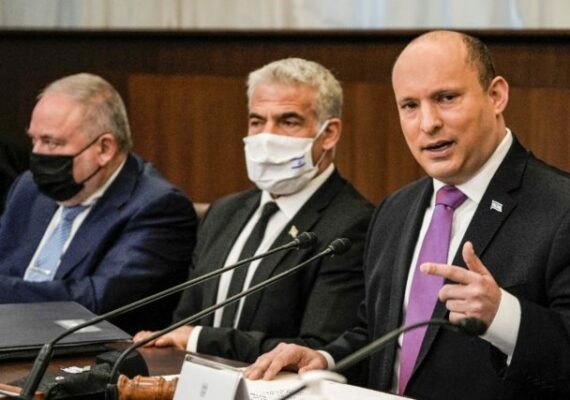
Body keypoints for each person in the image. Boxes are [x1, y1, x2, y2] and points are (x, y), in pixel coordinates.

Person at [245, 31, 570, 399]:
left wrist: (504, 317)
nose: (428, 123)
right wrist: (326, 359)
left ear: (496, 95)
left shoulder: (560, 207)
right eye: (410, 105)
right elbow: (379, 334)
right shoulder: (395, 210)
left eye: (446, 98)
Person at [133, 58, 374, 364]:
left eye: (288, 121)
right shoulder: (224, 212)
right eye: (257, 121)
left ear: (329, 134)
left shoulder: (351, 224)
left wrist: (199, 340)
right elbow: (183, 324)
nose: (266, 137)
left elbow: (316, 348)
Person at [0, 73, 198, 334]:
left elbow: (94, 302)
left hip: (88, 350)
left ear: (104, 148)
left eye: (50, 142)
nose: (37, 155)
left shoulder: (159, 208)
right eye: (33, 140)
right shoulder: (30, 188)